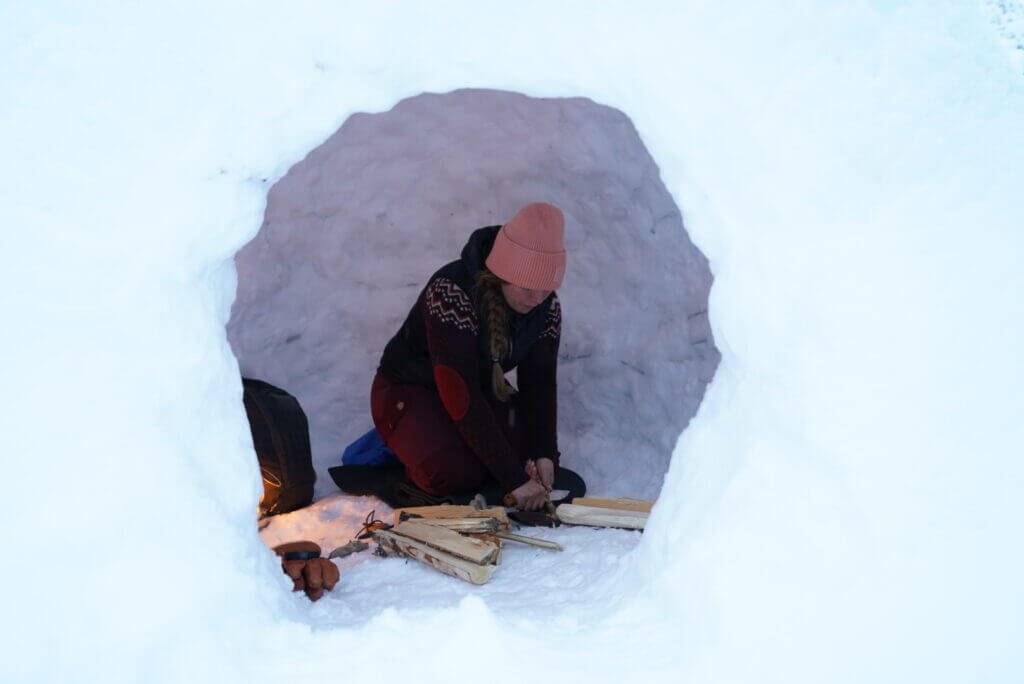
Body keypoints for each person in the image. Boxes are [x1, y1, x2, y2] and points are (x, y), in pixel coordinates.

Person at [371, 202, 579, 511]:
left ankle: (459, 449)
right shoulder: (452, 292)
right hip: (409, 392)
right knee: (454, 472)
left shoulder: (545, 308)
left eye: (546, 289)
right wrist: (513, 480)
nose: (538, 300)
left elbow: (540, 384)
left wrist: (544, 452)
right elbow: (460, 394)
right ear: (503, 273)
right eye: (527, 289)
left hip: (477, 394)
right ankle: (408, 446)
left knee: (527, 455)